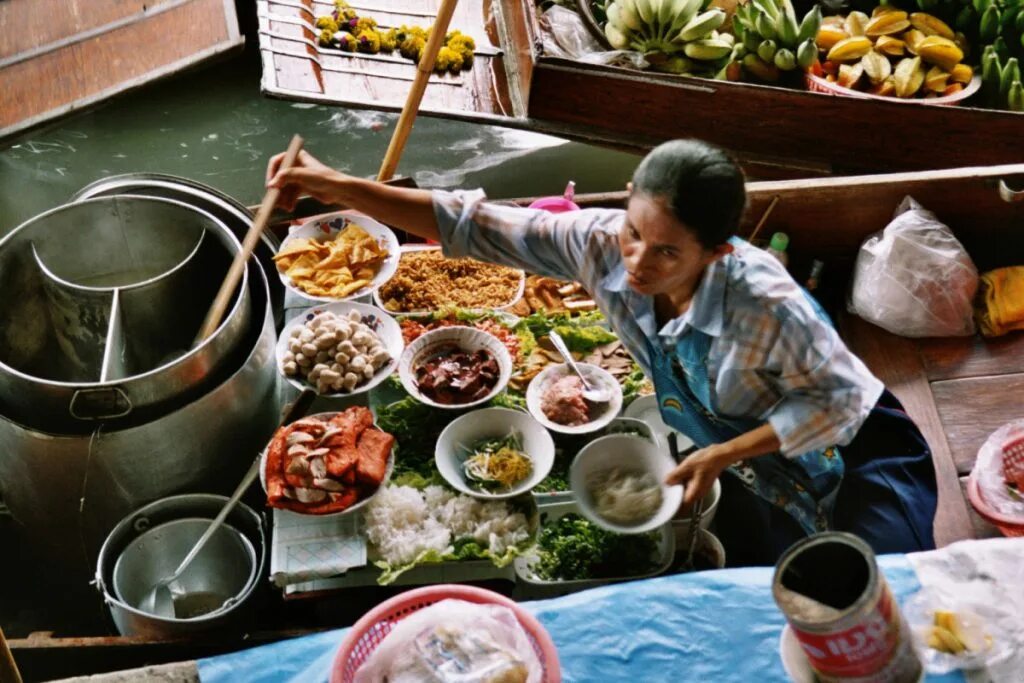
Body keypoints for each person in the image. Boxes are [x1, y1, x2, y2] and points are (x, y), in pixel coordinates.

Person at [266, 139, 938, 566]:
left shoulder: (765, 304)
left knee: (878, 596)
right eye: (633, 230)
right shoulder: (598, 243)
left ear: (718, 253)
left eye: (667, 250)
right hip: (748, 452)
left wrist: (722, 453)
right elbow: (470, 225)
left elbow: (841, 404)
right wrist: (339, 184)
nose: (638, 263)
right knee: (773, 588)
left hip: (854, 452)